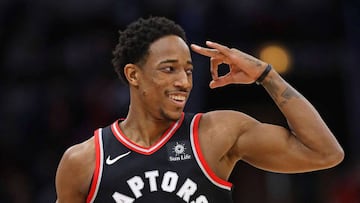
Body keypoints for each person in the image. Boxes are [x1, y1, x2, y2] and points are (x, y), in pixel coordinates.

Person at [55, 16, 344, 203]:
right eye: (168, 69)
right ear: (133, 75)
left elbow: (325, 153)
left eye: (189, 71)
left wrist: (267, 76)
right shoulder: (84, 162)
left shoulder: (215, 133)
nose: (183, 81)